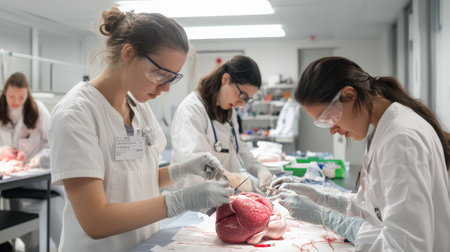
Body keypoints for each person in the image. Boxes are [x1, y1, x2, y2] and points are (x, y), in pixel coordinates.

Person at [48, 7, 232, 252]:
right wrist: (181, 200)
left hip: (144, 245)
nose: (165, 88)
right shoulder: (76, 114)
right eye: (160, 74)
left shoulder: (138, 106)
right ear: (128, 53)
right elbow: (95, 220)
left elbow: (137, 178)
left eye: (172, 78)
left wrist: (183, 169)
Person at [271, 56, 450, 251]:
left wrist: (325, 216)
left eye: (329, 118)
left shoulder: (401, 139)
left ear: (349, 95)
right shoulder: (382, 130)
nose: (332, 130)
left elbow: (403, 246)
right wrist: (319, 198)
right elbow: (370, 209)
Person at [171, 55, 273, 191]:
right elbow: (194, 161)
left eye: (247, 99)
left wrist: (259, 169)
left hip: (223, 195)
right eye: (241, 95)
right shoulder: (192, 109)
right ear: (225, 79)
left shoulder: (228, 110)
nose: (241, 104)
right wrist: (231, 178)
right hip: (196, 197)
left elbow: (239, 147)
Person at [0, 72, 64, 251]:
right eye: (11, 96)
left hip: (39, 176)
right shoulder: (1, 110)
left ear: (27, 94)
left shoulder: (38, 110)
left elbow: (55, 143)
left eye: (21, 97)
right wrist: (5, 151)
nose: (16, 101)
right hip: (13, 175)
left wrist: (38, 158)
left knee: (58, 217)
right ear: (4, 92)